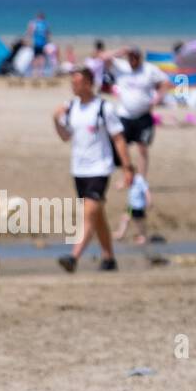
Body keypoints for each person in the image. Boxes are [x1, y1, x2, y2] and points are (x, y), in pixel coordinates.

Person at [54, 66, 133, 273]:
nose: (73, 85)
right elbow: (65, 136)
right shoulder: (71, 107)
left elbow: (118, 138)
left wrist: (127, 168)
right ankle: (109, 258)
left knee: (89, 213)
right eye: (72, 82)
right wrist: (56, 120)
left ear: (89, 83)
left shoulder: (103, 108)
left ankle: (73, 257)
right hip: (78, 169)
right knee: (97, 216)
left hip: (100, 167)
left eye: (77, 81)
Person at [105, 46, 169, 178]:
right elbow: (103, 58)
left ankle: (141, 180)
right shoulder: (121, 67)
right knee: (121, 147)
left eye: (135, 57)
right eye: (131, 57)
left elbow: (165, 82)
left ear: (140, 58)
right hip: (124, 115)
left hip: (143, 115)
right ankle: (127, 176)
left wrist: (158, 98)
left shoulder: (149, 69)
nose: (133, 60)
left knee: (142, 148)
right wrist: (121, 51)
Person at [116, 170, 151, 246]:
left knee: (139, 222)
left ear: (133, 174)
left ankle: (143, 237)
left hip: (138, 206)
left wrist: (149, 201)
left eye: (128, 176)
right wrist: (120, 185)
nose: (127, 178)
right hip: (131, 206)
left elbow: (146, 190)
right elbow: (123, 185)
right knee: (125, 218)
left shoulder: (139, 180)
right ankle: (120, 234)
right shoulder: (129, 179)